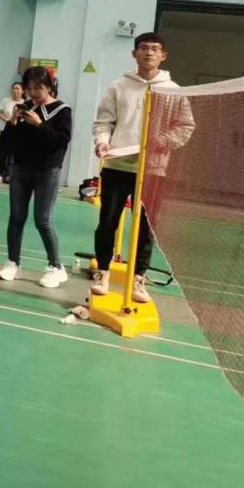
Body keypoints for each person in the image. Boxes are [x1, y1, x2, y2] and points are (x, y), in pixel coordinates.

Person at [90, 33, 195, 303]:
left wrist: (162, 142)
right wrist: (102, 142)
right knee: (107, 222)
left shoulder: (173, 90)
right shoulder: (117, 87)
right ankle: (102, 271)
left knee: (145, 228)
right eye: (144, 48)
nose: (149, 53)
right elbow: (103, 122)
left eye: (155, 49)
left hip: (153, 170)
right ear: (134, 54)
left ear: (163, 55)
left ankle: (138, 278)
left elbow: (185, 126)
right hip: (117, 165)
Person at [0, 66, 72, 289]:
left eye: (38, 88)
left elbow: (61, 141)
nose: (33, 93)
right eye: (29, 89)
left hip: (47, 170)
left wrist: (39, 124)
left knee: (43, 220)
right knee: (16, 217)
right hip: (20, 168)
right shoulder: (25, 107)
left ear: (49, 87)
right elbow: (10, 141)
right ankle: (13, 262)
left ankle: (56, 266)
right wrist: (12, 122)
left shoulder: (62, 110)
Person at [0, 81, 24, 184]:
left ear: (22, 91)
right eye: (13, 88)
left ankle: (12, 175)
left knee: (16, 153)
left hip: (19, 130)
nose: (15, 90)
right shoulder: (6, 100)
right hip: (6, 128)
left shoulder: (25, 103)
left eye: (18, 88)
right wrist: (7, 120)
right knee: (2, 152)